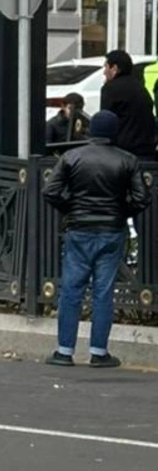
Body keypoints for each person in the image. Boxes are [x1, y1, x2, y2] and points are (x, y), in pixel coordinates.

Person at [43, 111, 151, 368]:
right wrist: (119, 211)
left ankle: (64, 351)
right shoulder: (128, 160)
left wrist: (72, 207)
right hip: (111, 230)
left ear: (91, 131)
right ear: (114, 132)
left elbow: (51, 191)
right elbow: (141, 198)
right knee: (103, 292)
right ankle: (99, 352)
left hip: (78, 229)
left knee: (71, 290)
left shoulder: (71, 157)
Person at [100, 49, 156, 161]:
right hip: (147, 150)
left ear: (114, 69)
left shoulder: (111, 88)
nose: (104, 72)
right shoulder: (140, 87)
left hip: (123, 152)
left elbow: (106, 121)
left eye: (106, 67)